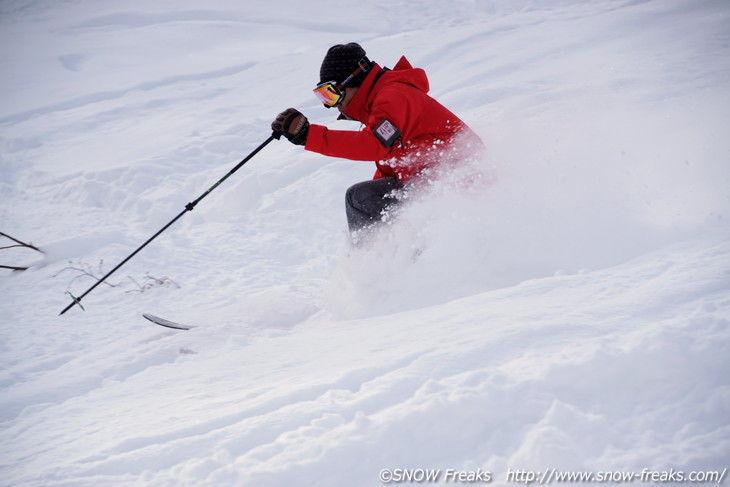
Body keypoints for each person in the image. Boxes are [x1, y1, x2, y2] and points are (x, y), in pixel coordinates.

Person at [272, 42, 483, 241]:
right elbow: (391, 168)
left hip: (461, 183)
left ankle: (376, 266)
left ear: (354, 79)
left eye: (331, 94)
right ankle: (387, 263)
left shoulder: (393, 96)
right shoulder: (382, 104)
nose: (331, 105)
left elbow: (374, 145)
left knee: (359, 197)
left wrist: (310, 136)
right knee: (368, 198)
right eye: (323, 97)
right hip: (440, 185)